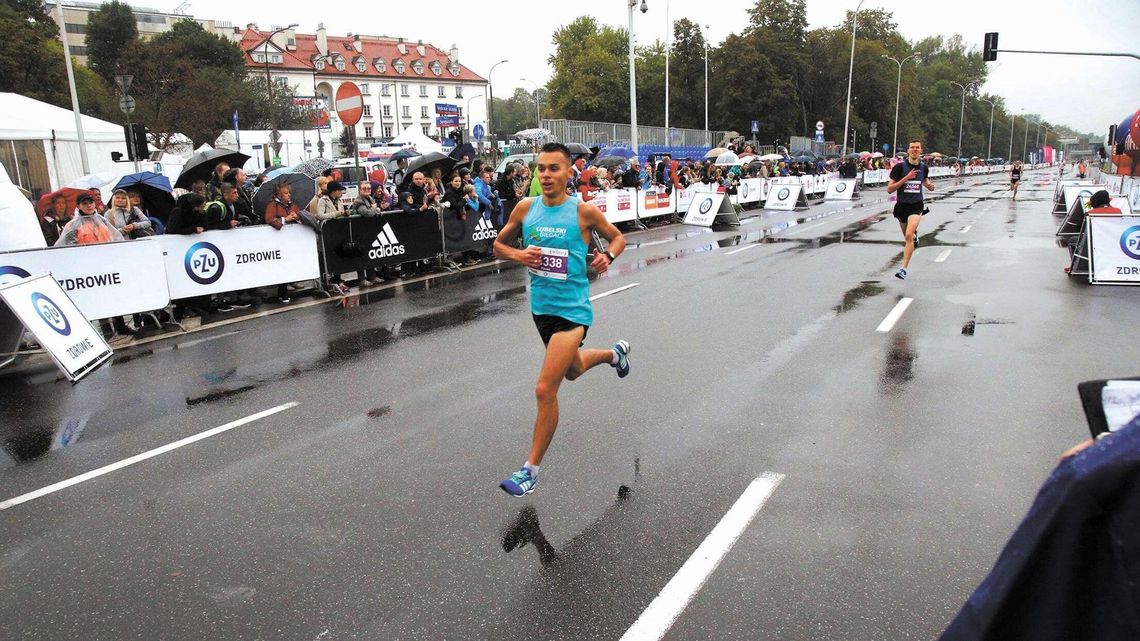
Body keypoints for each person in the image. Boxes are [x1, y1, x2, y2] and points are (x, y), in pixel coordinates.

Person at [492, 142, 630, 498]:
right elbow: (497, 246)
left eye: (554, 168)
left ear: (570, 173)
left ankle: (529, 471)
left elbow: (618, 239)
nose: (546, 175)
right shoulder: (526, 208)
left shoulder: (582, 212)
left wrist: (607, 258)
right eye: (541, 168)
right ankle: (614, 355)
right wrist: (520, 255)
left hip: (573, 312)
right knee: (573, 370)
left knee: (544, 388)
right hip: (542, 310)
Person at [886, 139, 936, 280]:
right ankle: (915, 237)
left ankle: (903, 269)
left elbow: (924, 180)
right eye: (912, 147)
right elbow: (889, 189)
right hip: (902, 206)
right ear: (908, 150)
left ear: (920, 151)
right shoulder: (899, 168)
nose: (914, 150)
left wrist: (930, 186)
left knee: (908, 235)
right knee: (908, 237)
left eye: (917, 148)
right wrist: (906, 178)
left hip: (916, 205)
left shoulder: (924, 168)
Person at [54, 193, 123, 246]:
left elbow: (116, 237)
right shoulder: (73, 225)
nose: (89, 205)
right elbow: (70, 246)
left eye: (91, 202)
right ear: (78, 206)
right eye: (84, 203)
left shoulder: (102, 220)